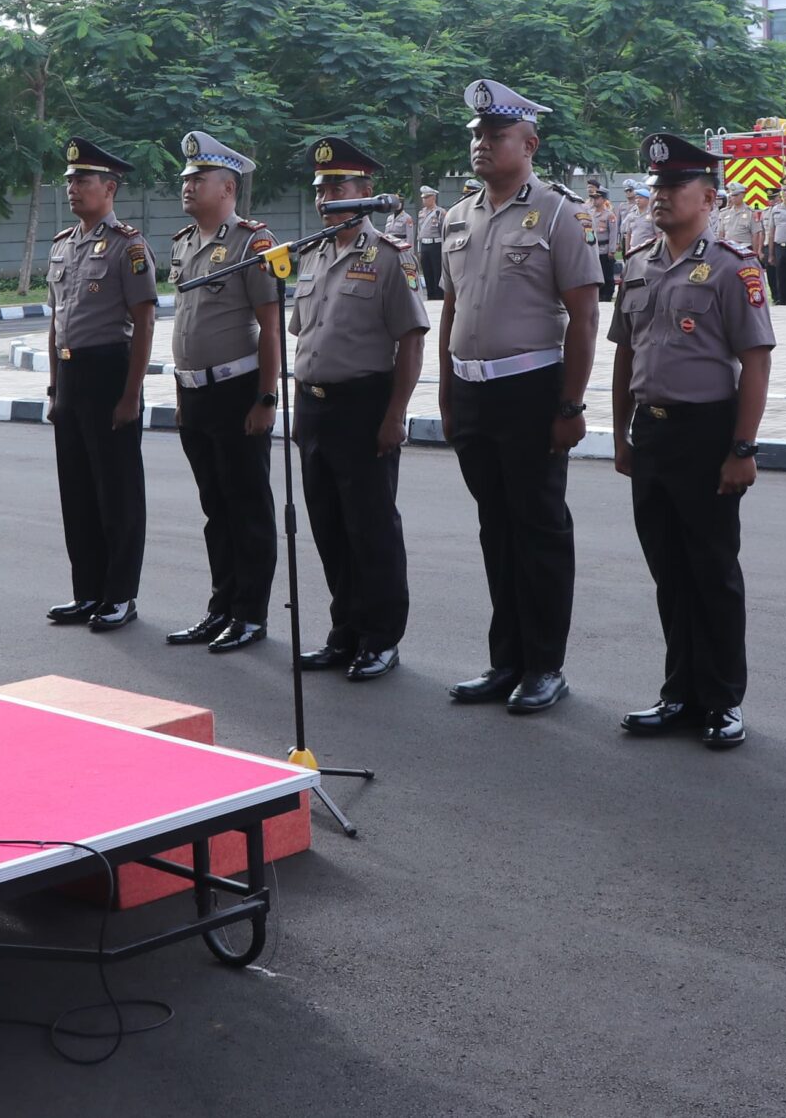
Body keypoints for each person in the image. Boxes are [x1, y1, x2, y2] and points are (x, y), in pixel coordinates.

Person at [439, 79, 603, 714]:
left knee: (537, 530)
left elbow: (584, 317)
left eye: (495, 135)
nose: (482, 144)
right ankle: (505, 659)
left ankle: (544, 665)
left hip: (532, 391)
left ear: (529, 143)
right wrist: (450, 397)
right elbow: (451, 309)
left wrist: (570, 405)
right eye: (477, 135)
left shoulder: (560, 214)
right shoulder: (457, 216)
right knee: (494, 528)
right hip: (473, 392)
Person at [610, 133, 776, 749]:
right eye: (655, 185)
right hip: (651, 431)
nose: (660, 195)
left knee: (712, 571)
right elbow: (625, 358)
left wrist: (742, 448)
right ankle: (678, 691)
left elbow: (755, 362)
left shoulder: (735, 267)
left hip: (707, 432)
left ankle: (722, 699)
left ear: (708, 196)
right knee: (668, 570)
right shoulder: (637, 263)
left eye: (674, 185)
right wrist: (625, 434)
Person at [292, 137, 429, 681]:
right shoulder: (310, 254)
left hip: (364, 404)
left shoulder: (391, 257)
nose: (329, 197)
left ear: (367, 193)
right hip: (314, 407)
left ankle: (380, 637)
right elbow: (303, 332)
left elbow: (412, 340)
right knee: (328, 525)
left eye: (340, 187)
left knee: (370, 527)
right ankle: (344, 629)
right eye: (323, 188)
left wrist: (395, 415)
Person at [165, 130, 283, 654]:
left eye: (199, 178)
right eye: (186, 179)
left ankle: (251, 615)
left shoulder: (251, 243)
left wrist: (266, 398)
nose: (188, 186)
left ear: (228, 187)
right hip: (194, 394)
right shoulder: (184, 242)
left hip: (238, 392)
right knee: (216, 507)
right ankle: (221, 606)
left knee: (247, 507)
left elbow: (271, 325)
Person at [43, 138, 156, 632]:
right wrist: (53, 387)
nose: (72, 187)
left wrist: (131, 394)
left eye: (82, 180)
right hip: (70, 377)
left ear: (109, 188)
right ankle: (86, 591)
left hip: (110, 372)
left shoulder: (129, 246)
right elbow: (55, 321)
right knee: (78, 492)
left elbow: (145, 321)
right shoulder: (62, 244)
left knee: (117, 493)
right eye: (69, 180)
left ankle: (119, 595)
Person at [587, 183, 621, 301]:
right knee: (595, 273)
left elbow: (613, 233)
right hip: (593, 248)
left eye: (597, 198)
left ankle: (607, 293)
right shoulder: (590, 214)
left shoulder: (609, 215)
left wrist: (612, 250)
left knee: (607, 273)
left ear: (604, 199)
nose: (595, 200)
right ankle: (599, 293)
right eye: (594, 198)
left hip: (605, 248)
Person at [416, 186, 448, 299]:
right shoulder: (421, 213)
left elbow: (444, 232)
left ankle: (439, 297)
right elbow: (419, 232)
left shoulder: (440, 212)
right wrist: (419, 250)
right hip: (425, 245)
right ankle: (430, 296)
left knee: (437, 273)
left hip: (436, 246)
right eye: (423, 198)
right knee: (427, 273)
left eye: (427, 197)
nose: (424, 200)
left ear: (433, 197)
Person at [619, 180, 660, 262]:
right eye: (636, 198)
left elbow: (658, 236)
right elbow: (628, 235)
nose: (637, 200)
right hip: (634, 251)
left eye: (640, 198)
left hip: (648, 252)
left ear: (648, 199)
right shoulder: (631, 215)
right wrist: (627, 252)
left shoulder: (653, 214)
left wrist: (657, 253)